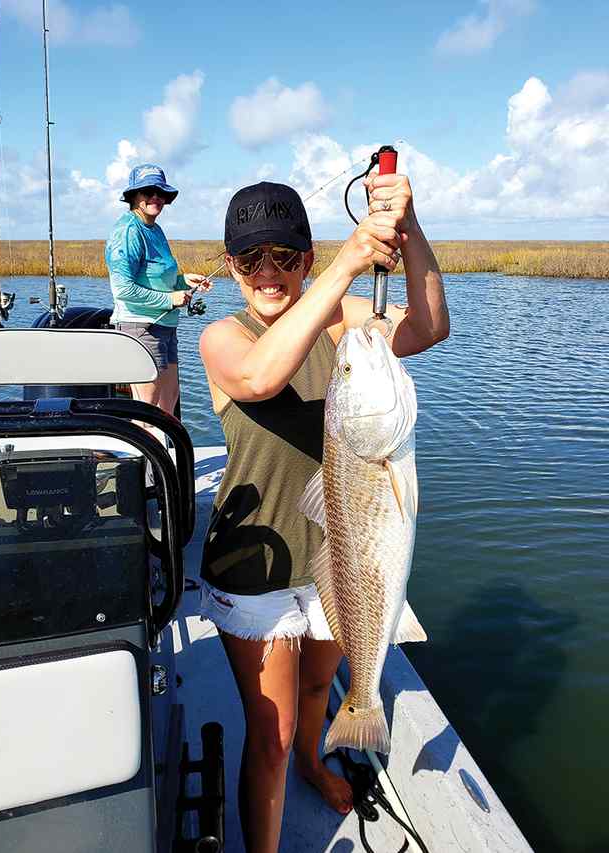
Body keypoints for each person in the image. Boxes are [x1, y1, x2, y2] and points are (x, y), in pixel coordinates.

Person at [198, 175, 449, 853]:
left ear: (305, 258)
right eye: (250, 259)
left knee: (319, 684)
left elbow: (429, 326)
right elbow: (259, 379)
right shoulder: (224, 336)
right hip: (258, 566)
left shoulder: (348, 325)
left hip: (343, 556)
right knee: (272, 736)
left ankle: (318, 758)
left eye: (285, 255)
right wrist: (345, 265)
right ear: (230, 267)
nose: (269, 273)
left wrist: (408, 225)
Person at [106, 163, 211, 416]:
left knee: (169, 399)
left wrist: (185, 281)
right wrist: (170, 299)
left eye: (161, 193)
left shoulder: (155, 229)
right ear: (134, 197)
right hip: (140, 326)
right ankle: (144, 455)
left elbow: (159, 277)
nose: (156, 197)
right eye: (148, 191)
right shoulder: (127, 231)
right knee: (147, 406)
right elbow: (123, 290)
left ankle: (167, 454)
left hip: (166, 326)